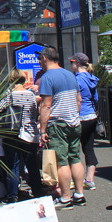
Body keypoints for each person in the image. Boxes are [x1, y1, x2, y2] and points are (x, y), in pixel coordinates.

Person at [36, 46, 86, 210]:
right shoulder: (70, 75)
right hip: (74, 122)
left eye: (39, 59)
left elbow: (46, 106)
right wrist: (74, 115)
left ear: (44, 58)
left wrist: (43, 129)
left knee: (62, 162)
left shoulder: (47, 77)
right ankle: (79, 194)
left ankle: (65, 197)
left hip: (58, 124)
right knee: (75, 158)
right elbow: (79, 100)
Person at [0, 69, 39, 203]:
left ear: (11, 80)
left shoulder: (9, 94)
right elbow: (34, 113)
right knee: (32, 165)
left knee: (12, 165)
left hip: (13, 133)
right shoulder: (30, 95)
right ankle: (38, 192)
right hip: (30, 133)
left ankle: (13, 196)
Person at [69, 52, 100, 190]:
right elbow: (96, 99)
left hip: (79, 116)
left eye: (71, 63)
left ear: (76, 63)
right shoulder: (91, 78)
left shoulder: (77, 79)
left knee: (73, 148)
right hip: (91, 116)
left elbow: (75, 98)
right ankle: (90, 179)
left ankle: (74, 179)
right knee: (89, 147)